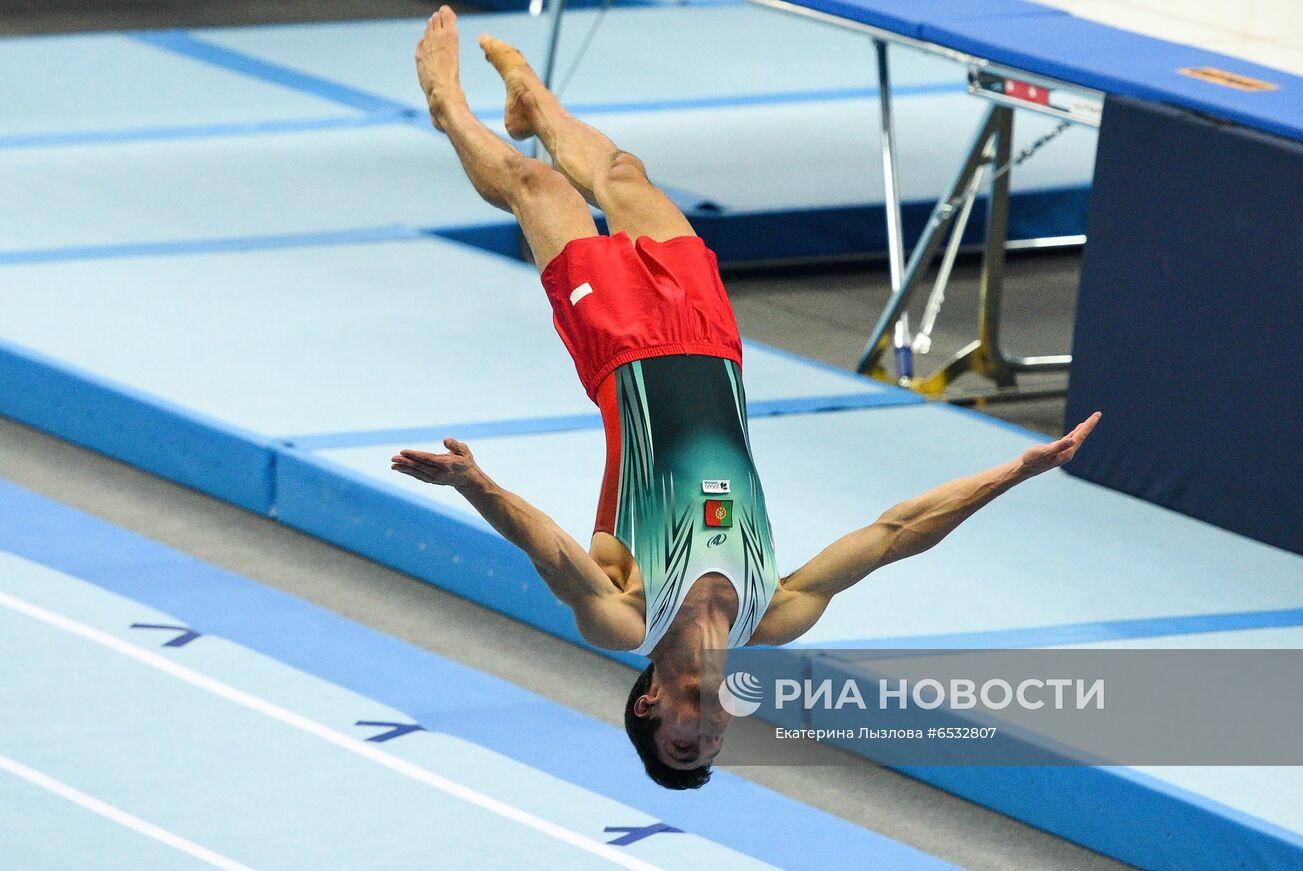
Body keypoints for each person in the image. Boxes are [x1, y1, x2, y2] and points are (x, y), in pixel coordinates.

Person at [392, 5, 1101, 790]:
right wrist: (1015, 472)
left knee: (537, 185)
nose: (712, 733)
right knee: (625, 175)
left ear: (650, 704)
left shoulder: (629, 616)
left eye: (686, 743)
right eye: (713, 748)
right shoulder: (775, 609)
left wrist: (477, 485)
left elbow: (552, 551)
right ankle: (531, 98)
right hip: (712, 342)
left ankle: (445, 106)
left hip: (620, 348)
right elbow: (897, 532)